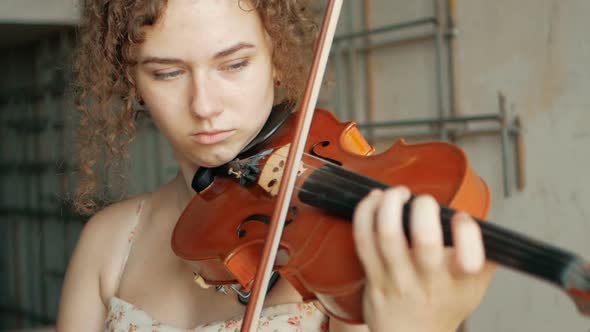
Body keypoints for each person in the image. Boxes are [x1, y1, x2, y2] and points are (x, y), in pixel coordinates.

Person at [57, 0, 496, 331]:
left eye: (235, 64)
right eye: (167, 73)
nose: (204, 106)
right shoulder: (109, 243)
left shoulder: (349, 257)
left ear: (276, 59)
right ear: (131, 79)